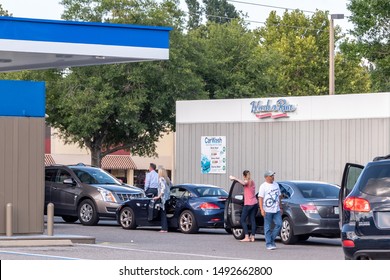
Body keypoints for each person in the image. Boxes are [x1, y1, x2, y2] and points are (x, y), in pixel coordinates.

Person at [229, 170, 258, 242]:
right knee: (252, 220)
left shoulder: (247, 182)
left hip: (248, 204)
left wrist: (235, 178)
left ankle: (247, 236)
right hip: (255, 203)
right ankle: (253, 236)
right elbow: (248, 190)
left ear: (244, 176)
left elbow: (244, 183)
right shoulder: (252, 182)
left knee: (242, 220)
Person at [258, 170, 283, 250]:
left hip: (276, 209)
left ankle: (271, 239)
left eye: (273, 175)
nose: (273, 177)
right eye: (271, 176)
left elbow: (279, 196)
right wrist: (262, 209)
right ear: (266, 177)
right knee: (267, 227)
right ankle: (269, 244)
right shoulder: (263, 186)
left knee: (279, 224)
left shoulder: (276, 185)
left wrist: (280, 206)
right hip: (267, 210)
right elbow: (260, 198)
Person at [153, 167, 171, 233]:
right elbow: (170, 187)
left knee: (163, 214)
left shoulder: (161, 179)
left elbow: (162, 189)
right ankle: (165, 227)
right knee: (165, 213)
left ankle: (164, 228)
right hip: (168, 198)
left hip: (163, 199)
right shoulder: (167, 179)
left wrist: (158, 196)